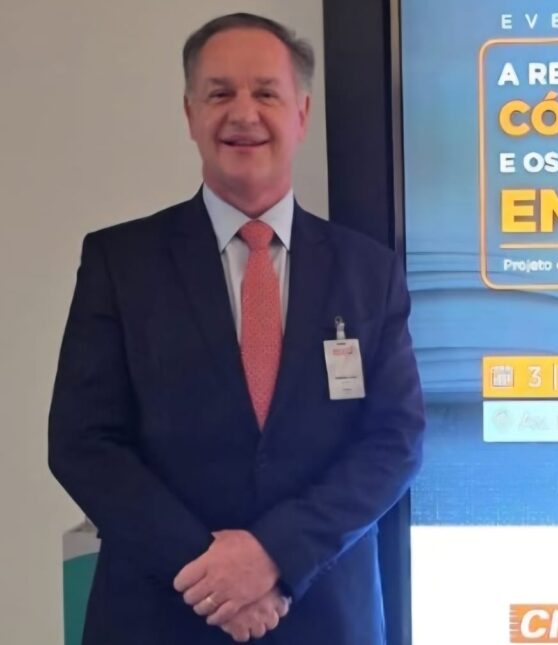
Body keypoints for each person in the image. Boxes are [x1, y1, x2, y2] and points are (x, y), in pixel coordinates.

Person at [47, 12, 424, 645]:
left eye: (265, 93)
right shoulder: (121, 263)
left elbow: (396, 440)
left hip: (325, 613)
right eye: (220, 93)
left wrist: (275, 555)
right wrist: (208, 569)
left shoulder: (370, 272)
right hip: (160, 612)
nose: (243, 114)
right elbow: (82, 442)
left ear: (301, 113)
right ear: (190, 113)